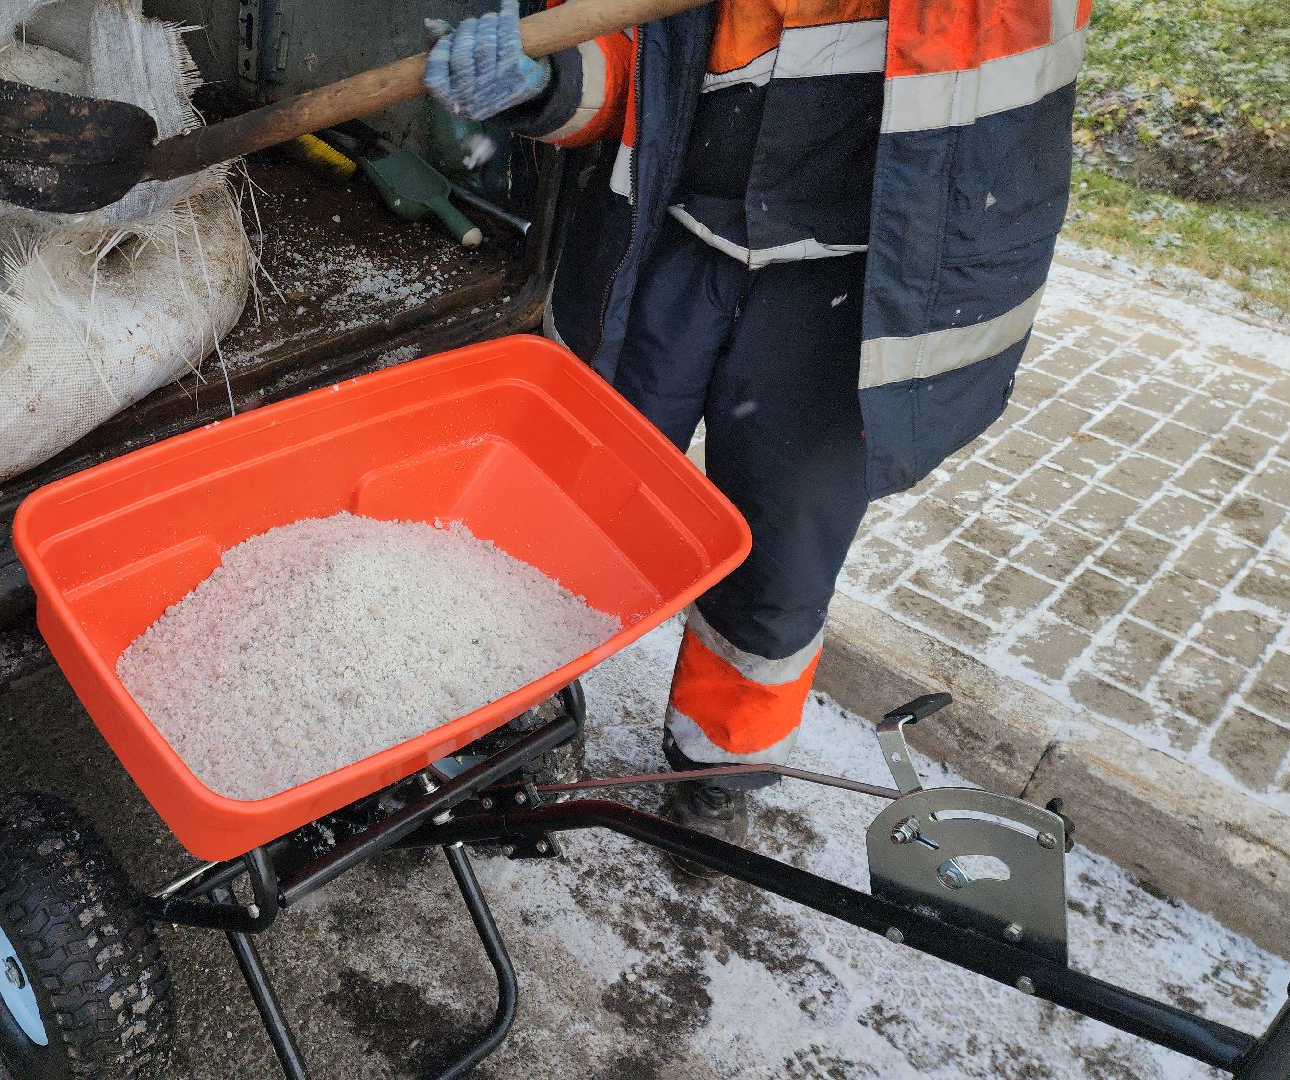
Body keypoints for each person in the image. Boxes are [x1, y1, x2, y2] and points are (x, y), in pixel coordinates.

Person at [426, 0, 1088, 870]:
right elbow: (626, 67)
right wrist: (548, 79)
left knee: (782, 556)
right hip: (665, 241)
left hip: (851, 295)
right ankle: (501, 713)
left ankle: (719, 764)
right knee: (570, 501)